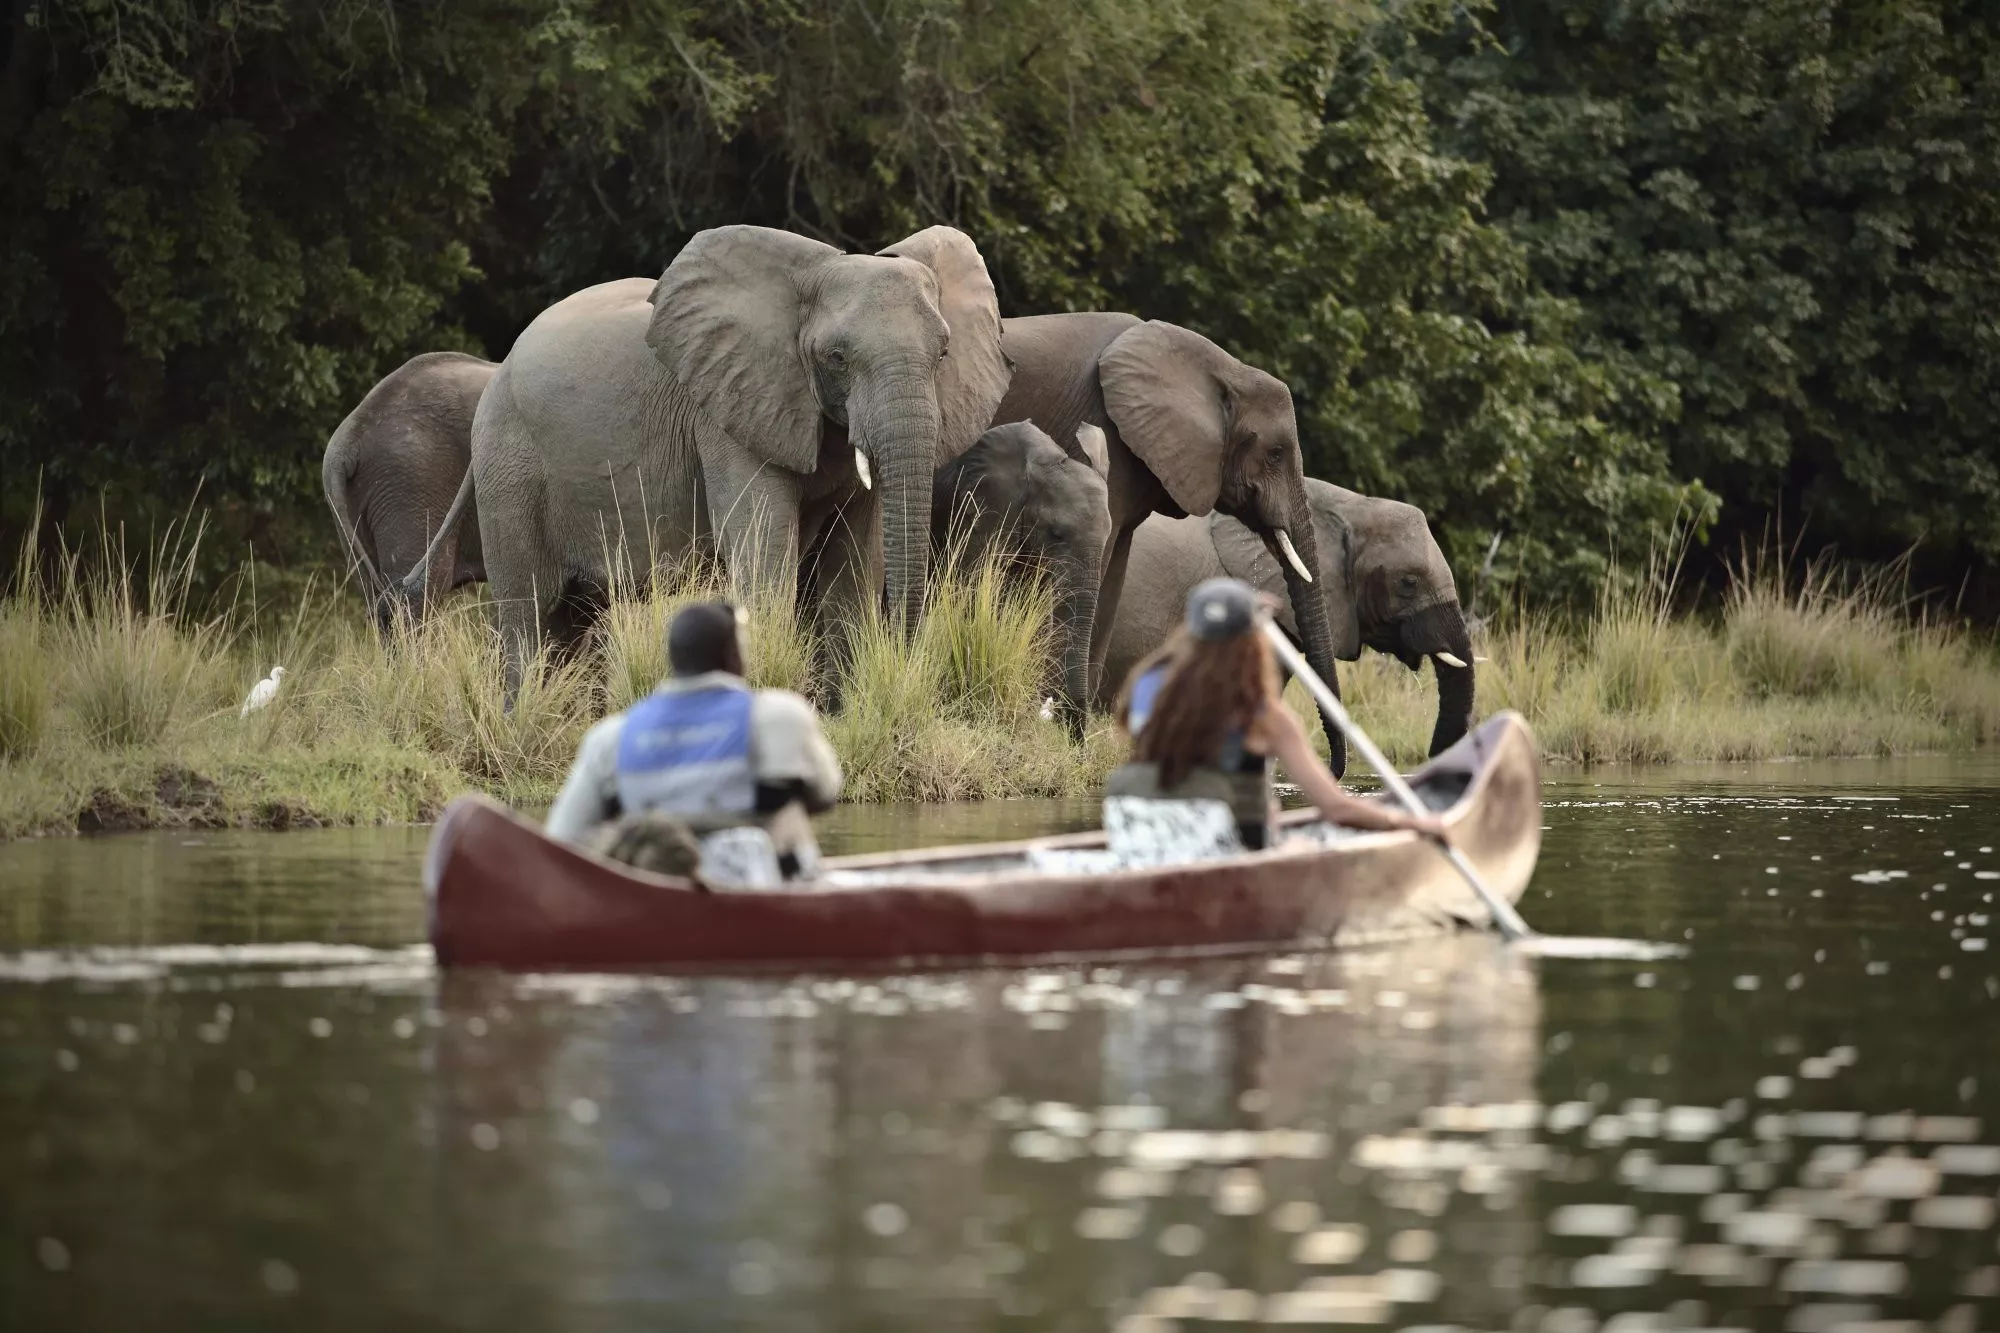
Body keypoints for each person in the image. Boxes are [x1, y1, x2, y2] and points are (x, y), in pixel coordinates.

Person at [1105, 577, 1446, 863]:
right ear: (1252, 644)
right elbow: (1336, 809)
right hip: (1216, 856)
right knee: (1306, 846)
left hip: (1137, 839)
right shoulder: (1264, 716)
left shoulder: (1146, 686)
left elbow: (1180, 771)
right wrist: (1410, 823)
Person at [545, 601, 843, 886]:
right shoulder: (780, 716)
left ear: (674, 660)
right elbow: (827, 792)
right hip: (763, 898)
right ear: (733, 658)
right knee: (788, 813)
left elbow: (563, 837)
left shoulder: (611, 738)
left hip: (652, 898)